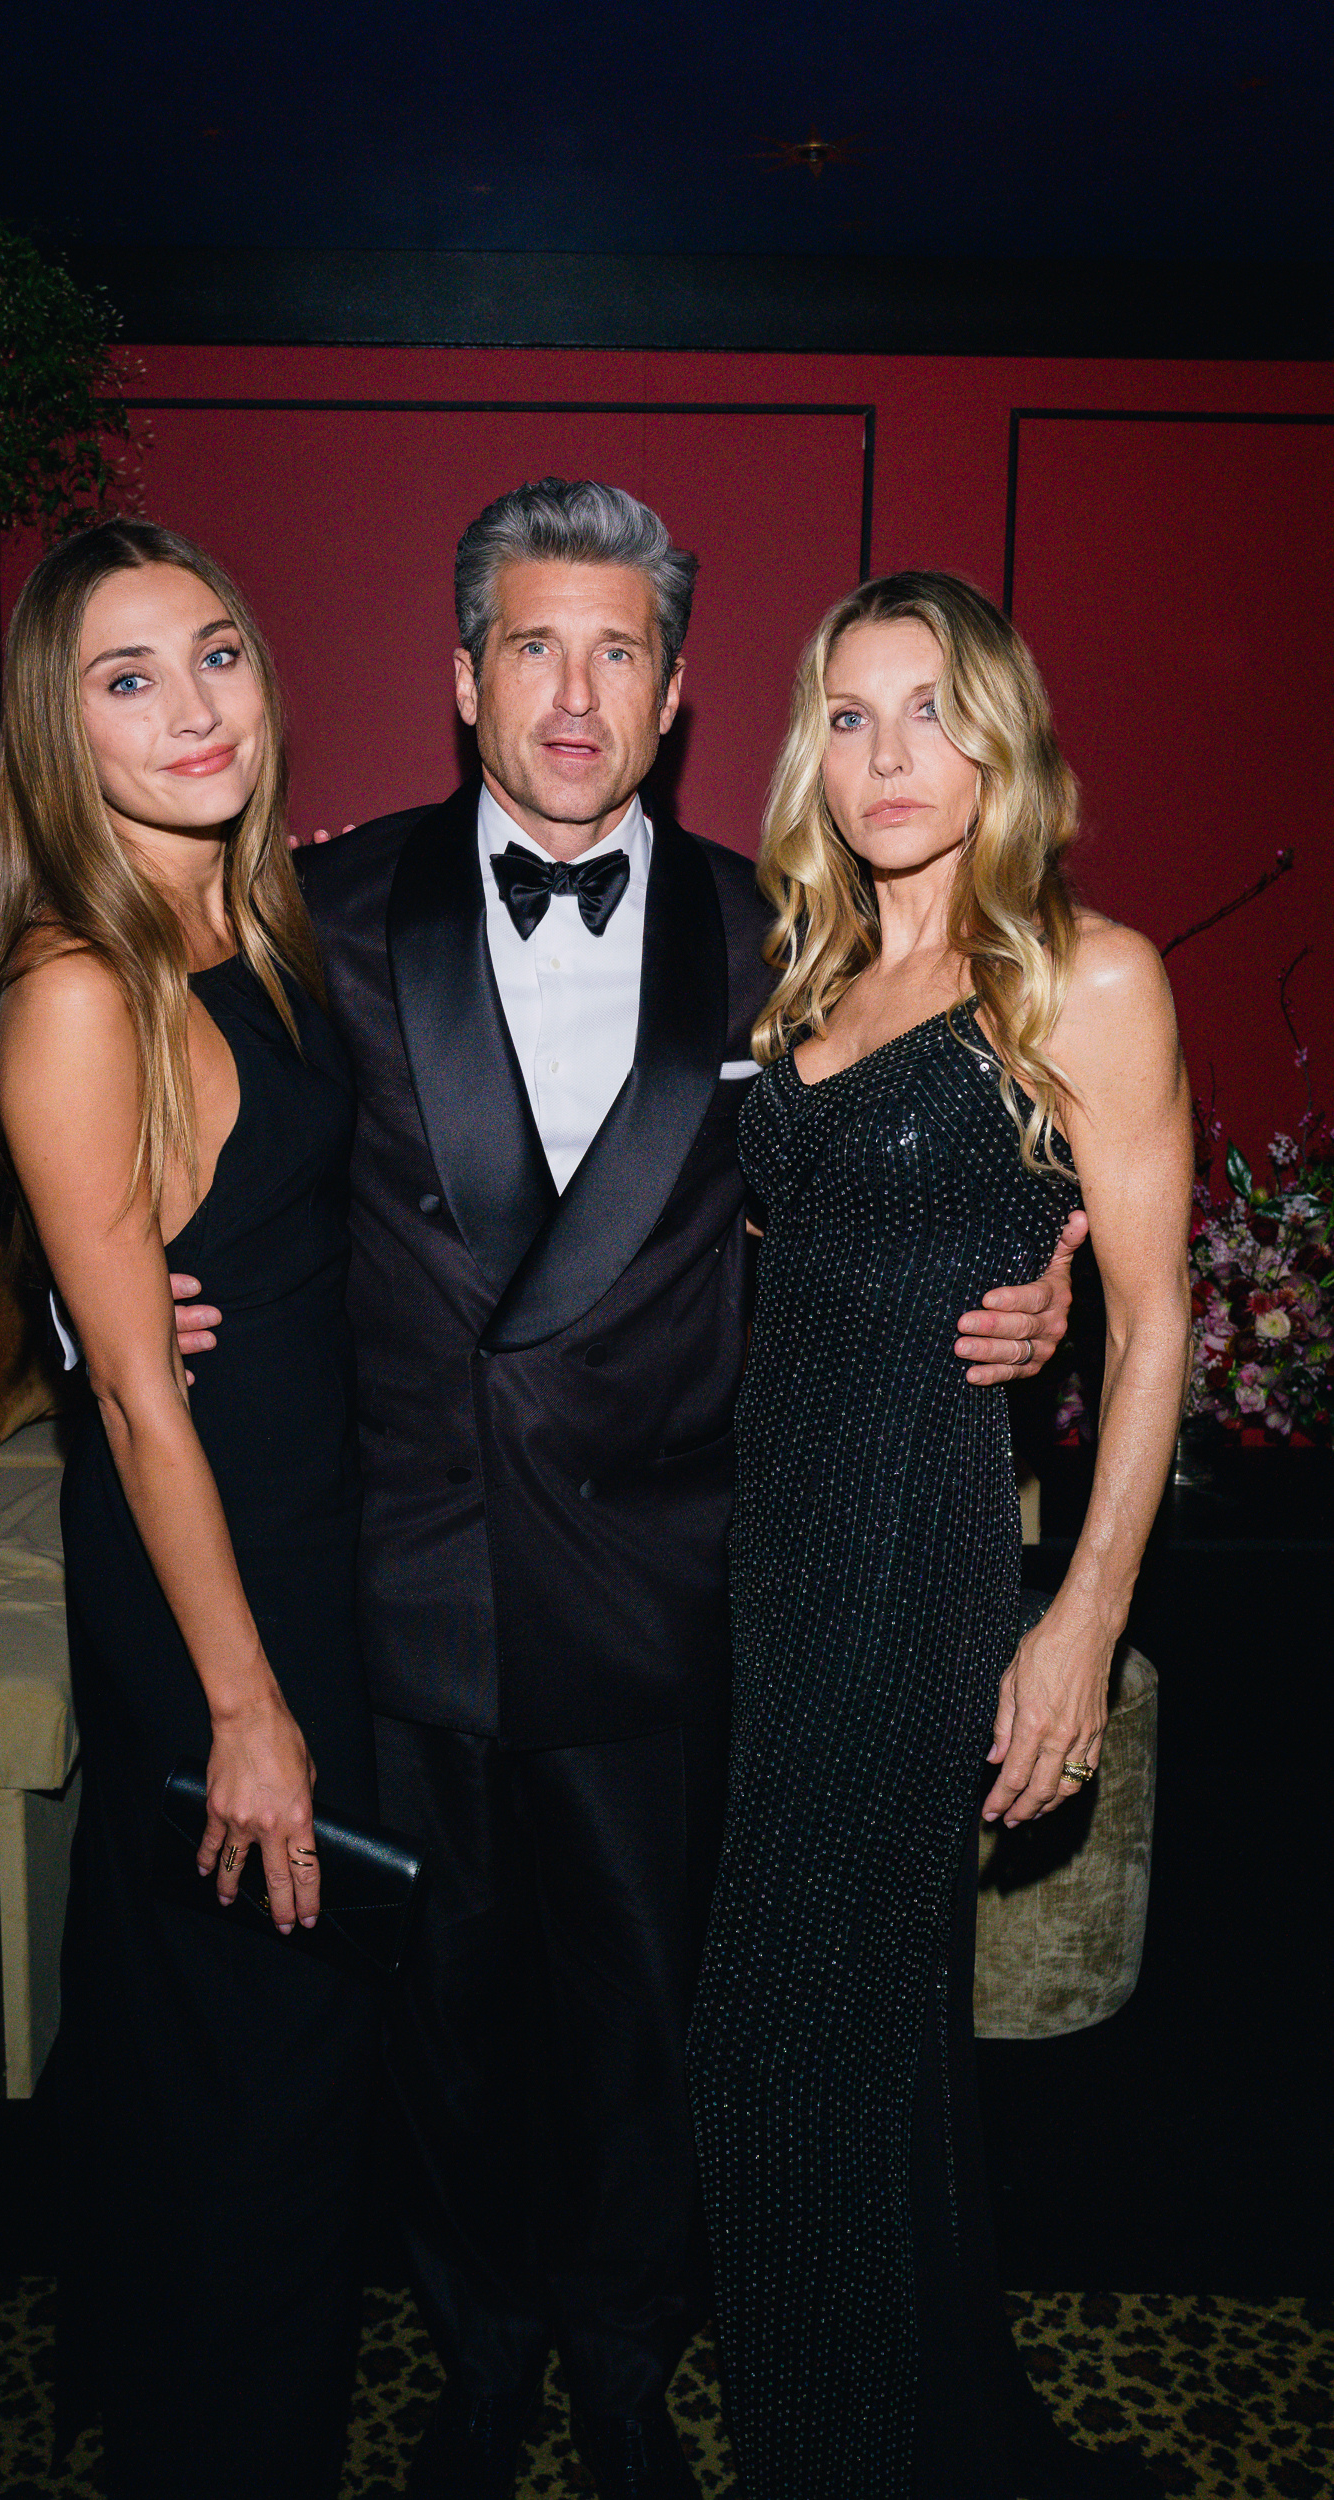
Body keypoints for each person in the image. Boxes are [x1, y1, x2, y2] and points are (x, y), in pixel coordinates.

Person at [172, 483, 1085, 2500]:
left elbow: (962, 1147)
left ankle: (619, 2353)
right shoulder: (320, 914)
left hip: (678, 1590)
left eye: (617, 654)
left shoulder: (789, 933)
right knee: (445, 2031)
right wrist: (100, 1320)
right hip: (411, 1582)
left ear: (674, 694)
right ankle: (482, 2355)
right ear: (459, 674)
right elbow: (183, 1167)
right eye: (530, 645)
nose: (572, 697)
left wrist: (1053, 1296)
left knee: (647, 2030)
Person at [687, 572, 1189, 2500]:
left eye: (930, 710)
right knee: (855, 2065)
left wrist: (1077, 1624)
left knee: (775, 2059)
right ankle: (904, 2445)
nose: (889, 754)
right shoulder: (802, 978)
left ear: (1002, 740)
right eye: (849, 713)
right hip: (767, 1553)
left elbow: (1154, 1328)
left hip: (915, 1562)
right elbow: (774, 1271)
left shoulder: (1084, 974)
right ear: (811, 747)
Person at [0, 519, 378, 2500]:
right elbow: (134, 1390)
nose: (193, 706)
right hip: (224, 1577)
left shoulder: (258, 916)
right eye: (127, 678)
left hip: (292, 1518)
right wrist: (247, 1703)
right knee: (271, 2085)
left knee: (212, 2045)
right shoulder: (80, 985)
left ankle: (174, 2404)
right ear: (61, 730)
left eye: (215, 653)